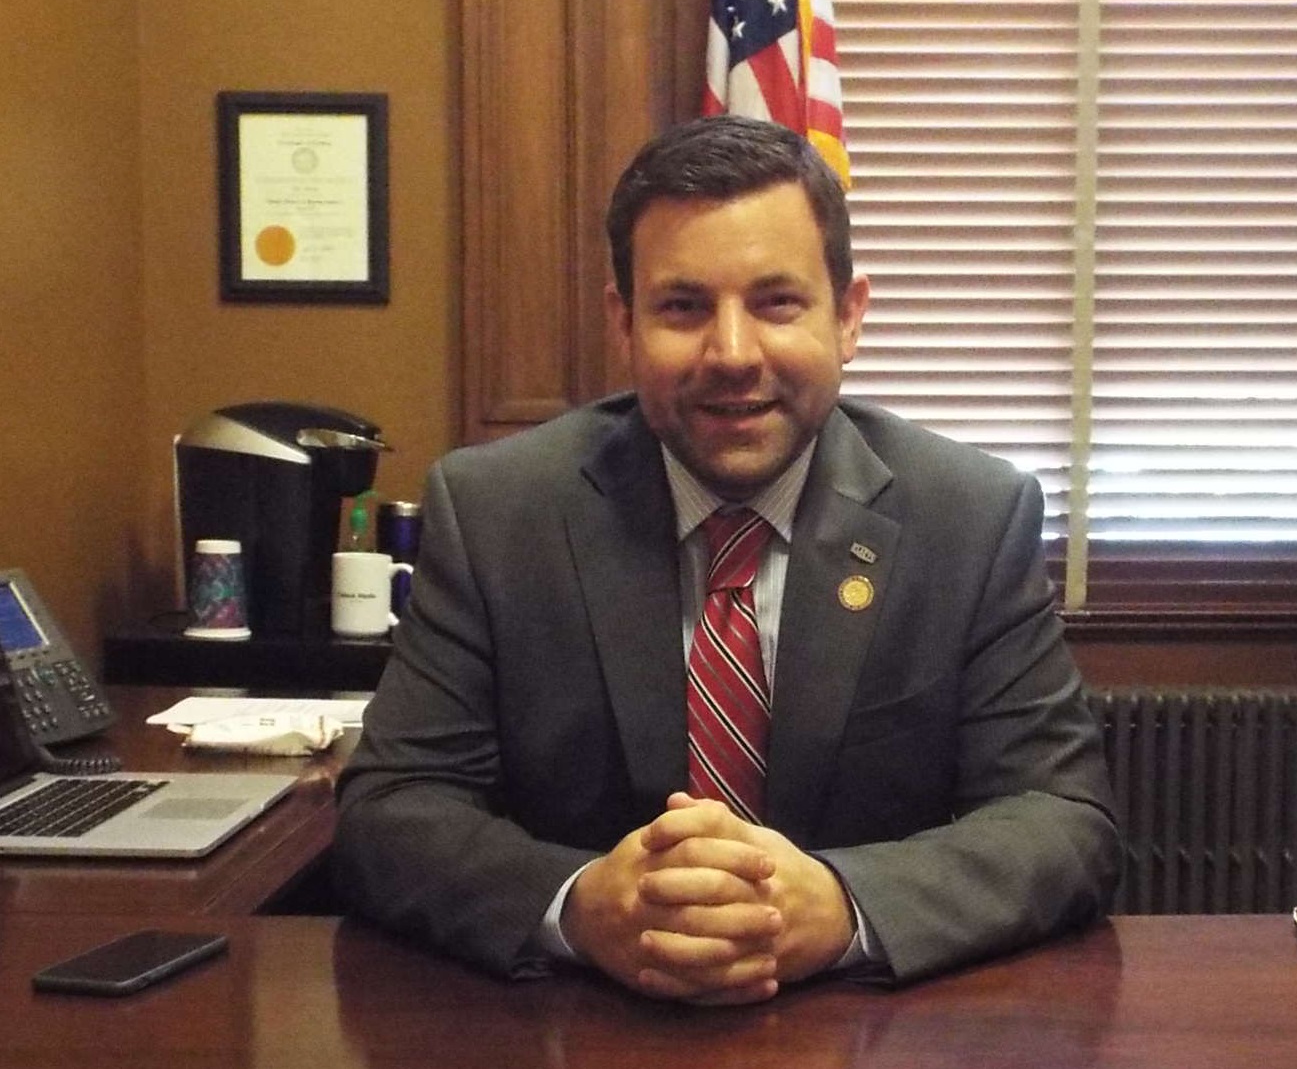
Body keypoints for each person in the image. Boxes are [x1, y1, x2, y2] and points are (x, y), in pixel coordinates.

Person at [333, 114, 1120, 1006]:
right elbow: (390, 812)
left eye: (777, 303)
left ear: (848, 317)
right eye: (683, 307)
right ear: (624, 323)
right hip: (582, 1025)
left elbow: (1062, 822)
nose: (732, 354)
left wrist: (845, 905)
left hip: (865, 1029)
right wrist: (579, 905)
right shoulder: (496, 512)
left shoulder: (969, 517)